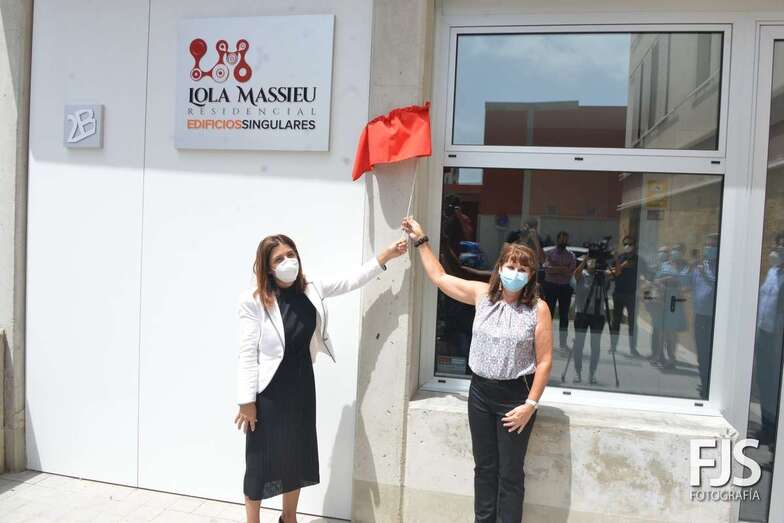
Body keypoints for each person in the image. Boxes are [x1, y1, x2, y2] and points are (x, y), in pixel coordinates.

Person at [234, 234, 407, 523]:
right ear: (267, 267)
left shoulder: (311, 290)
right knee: (259, 463)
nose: (288, 261)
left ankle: (289, 518)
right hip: (269, 393)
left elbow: (352, 279)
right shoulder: (253, 301)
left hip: (301, 386)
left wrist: (386, 255)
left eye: (291, 254)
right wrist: (246, 402)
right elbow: (246, 353)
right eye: (279, 258)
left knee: (296, 456)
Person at [402, 216, 553, 523]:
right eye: (510, 266)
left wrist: (530, 405)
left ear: (531, 274)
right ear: (499, 268)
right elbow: (440, 278)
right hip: (481, 393)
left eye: (522, 269)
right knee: (484, 468)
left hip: (516, 396)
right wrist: (421, 240)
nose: (515, 273)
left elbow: (545, 360)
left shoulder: (538, 308)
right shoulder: (483, 296)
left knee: (510, 473)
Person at [571, 255, 609, 385]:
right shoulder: (582, 274)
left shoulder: (602, 275)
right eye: (590, 260)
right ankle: (578, 372)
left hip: (598, 315)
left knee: (595, 346)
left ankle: (592, 373)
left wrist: (613, 258)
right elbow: (575, 274)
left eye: (594, 259)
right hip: (582, 313)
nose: (593, 262)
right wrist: (586, 259)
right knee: (579, 344)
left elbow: (618, 273)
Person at [609, 236, 647, 358]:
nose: (628, 246)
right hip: (618, 293)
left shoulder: (638, 259)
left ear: (634, 245)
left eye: (630, 244)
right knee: (616, 321)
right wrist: (620, 264)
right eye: (626, 243)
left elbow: (646, 274)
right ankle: (613, 347)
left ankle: (633, 348)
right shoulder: (619, 258)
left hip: (632, 294)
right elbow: (613, 272)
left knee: (632, 323)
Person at [690, 234, 719, 398]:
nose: (709, 248)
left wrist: (705, 275)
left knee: (712, 353)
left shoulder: (721, 266)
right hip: (699, 315)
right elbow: (691, 284)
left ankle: (712, 386)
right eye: (707, 245)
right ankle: (704, 383)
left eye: (713, 245)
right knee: (701, 352)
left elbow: (719, 283)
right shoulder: (701, 265)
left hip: (714, 317)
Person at [543, 231, 576, 352]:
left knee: (564, 316)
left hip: (565, 288)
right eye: (561, 239)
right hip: (551, 286)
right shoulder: (549, 253)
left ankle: (562, 344)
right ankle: (546, 343)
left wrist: (556, 268)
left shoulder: (571, 255)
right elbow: (547, 269)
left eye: (565, 240)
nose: (563, 242)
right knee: (548, 315)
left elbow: (570, 271)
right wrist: (562, 268)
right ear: (557, 240)